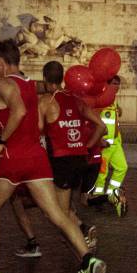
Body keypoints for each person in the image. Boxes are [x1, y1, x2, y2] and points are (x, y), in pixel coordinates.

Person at [0, 39, 107, 273]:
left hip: (12, 158)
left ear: (2, 62)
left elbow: (17, 111)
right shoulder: (30, 84)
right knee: (58, 215)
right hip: (37, 159)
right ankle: (88, 260)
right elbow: (20, 112)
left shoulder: (4, 83)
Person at [39, 61, 104, 249]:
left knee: (59, 212)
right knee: (62, 206)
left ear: (45, 78)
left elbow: (38, 130)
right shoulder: (76, 99)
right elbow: (100, 126)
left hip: (61, 161)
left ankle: (84, 250)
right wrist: (87, 146)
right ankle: (81, 231)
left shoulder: (46, 102)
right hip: (80, 160)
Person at [92, 75, 129, 216]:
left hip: (115, 144)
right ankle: (98, 200)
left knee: (122, 167)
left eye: (118, 84)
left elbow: (115, 115)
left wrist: (118, 110)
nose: (117, 87)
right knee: (102, 174)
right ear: (107, 84)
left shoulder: (113, 100)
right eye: (114, 84)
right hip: (104, 145)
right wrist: (98, 139)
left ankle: (111, 194)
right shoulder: (101, 100)